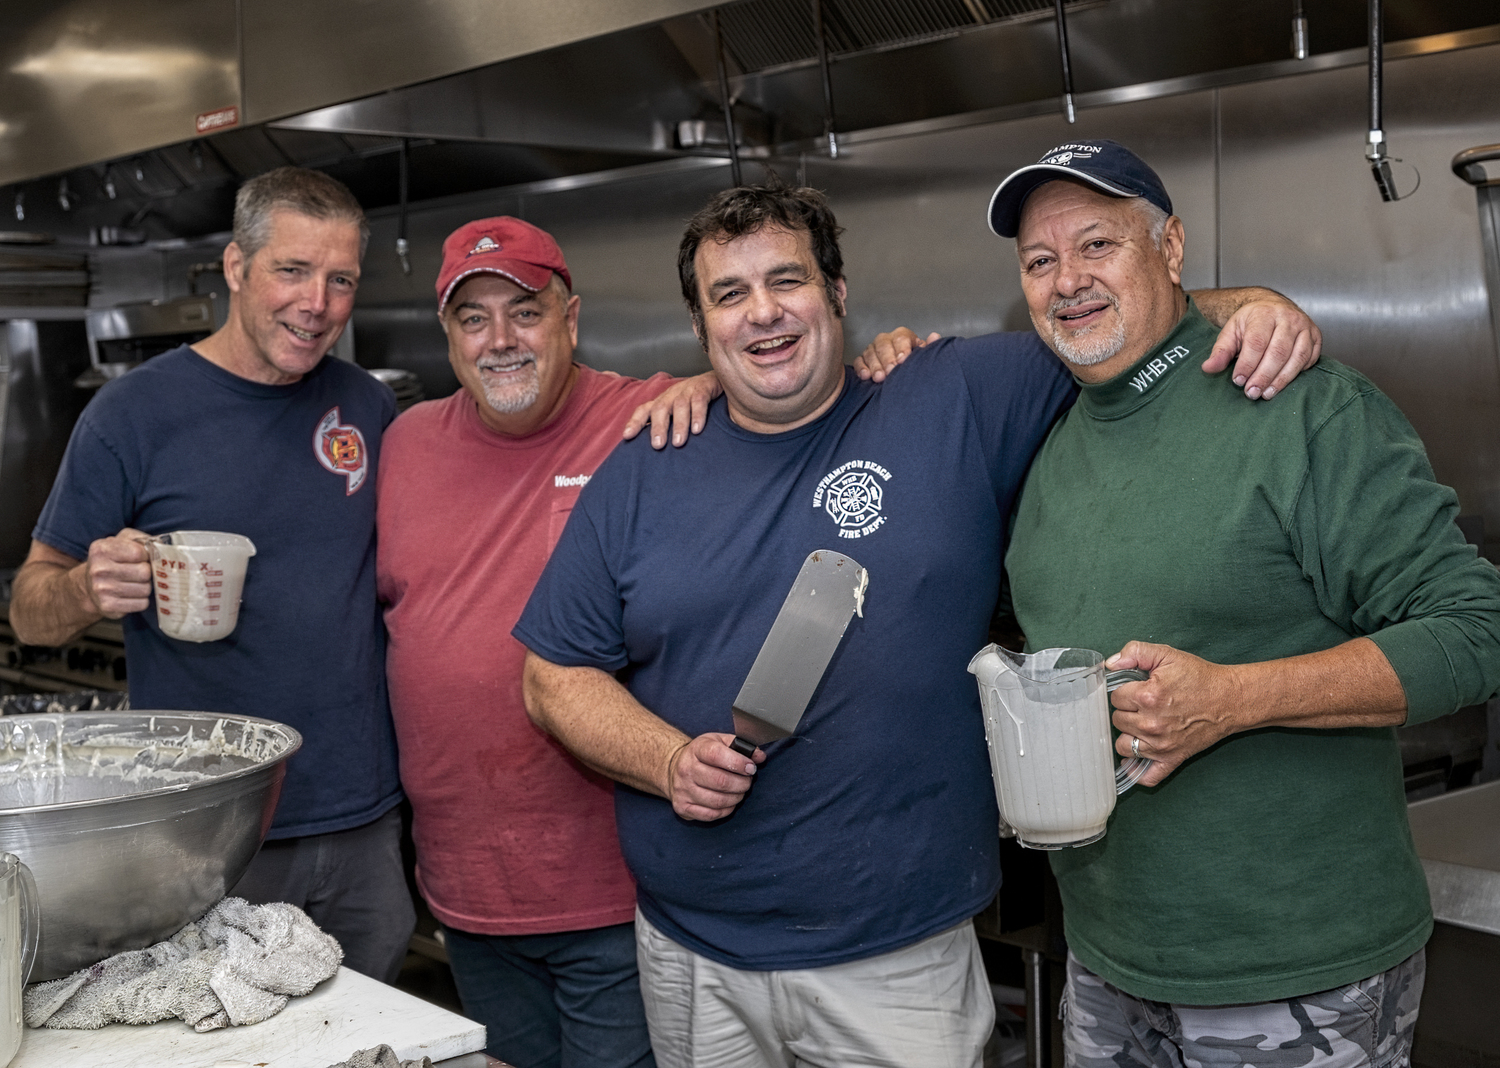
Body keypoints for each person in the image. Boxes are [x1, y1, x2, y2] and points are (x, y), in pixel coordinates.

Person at [512, 175, 1322, 1068]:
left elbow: (1109, 316)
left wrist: (1257, 305)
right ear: (703, 328)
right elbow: (554, 674)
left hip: (900, 961)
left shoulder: (954, 397)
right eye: (729, 295)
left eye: (787, 281)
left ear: (838, 295)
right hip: (693, 958)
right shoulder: (647, 462)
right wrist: (664, 759)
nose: (763, 313)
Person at [985, 140, 1500, 1066]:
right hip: (1107, 963)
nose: (1068, 280)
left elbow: (1476, 626)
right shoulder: (1049, 438)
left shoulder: (1301, 409)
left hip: (1295, 971)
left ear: (1171, 250)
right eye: (1039, 260)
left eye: (1097, 244)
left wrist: (1230, 701)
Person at [10, 167, 414, 983]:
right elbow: (28, 608)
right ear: (236, 267)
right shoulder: (132, 415)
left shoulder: (369, 409)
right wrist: (89, 586)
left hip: (366, 826)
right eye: (291, 271)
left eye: (341, 280)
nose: (317, 304)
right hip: (209, 836)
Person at [375, 216, 718, 1068]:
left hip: (612, 889)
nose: (500, 340)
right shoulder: (406, 443)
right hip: (465, 893)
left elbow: (786, 385)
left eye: (525, 310)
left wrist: (721, 380)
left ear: (570, 318)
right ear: (449, 334)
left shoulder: (651, 417)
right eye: (473, 317)